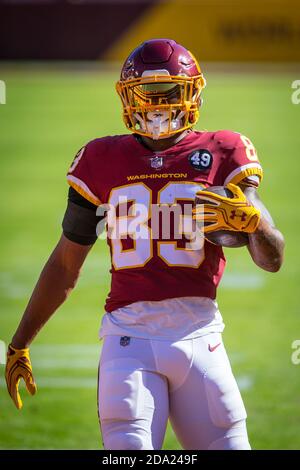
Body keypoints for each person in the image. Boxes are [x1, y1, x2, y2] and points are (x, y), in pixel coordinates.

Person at [5, 38, 284, 450]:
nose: (156, 105)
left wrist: (254, 224)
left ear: (192, 93)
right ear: (127, 97)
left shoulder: (223, 149)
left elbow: (272, 258)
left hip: (202, 336)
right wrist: (20, 342)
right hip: (128, 343)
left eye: (168, 92)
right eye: (146, 94)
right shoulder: (101, 158)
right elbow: (66, 264)